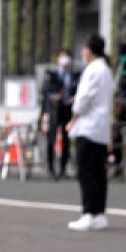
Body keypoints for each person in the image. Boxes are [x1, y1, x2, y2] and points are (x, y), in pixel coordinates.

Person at [66, 35, 114, 232]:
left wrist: (74, 117)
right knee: (98, 172)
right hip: (101, 128)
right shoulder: (106, 70)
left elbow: (84, 98)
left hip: (89, 127)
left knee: (86, 171)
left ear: (89, 50)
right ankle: (99, 213)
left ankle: (88, 213)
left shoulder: (94, 69)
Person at [41, 48, 77, 179]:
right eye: (62, 56)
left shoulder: (73, 76)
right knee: (52, 139)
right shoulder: (52, 75)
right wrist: (53, 98)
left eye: (67, 56)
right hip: (54, 110)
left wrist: (73, 98)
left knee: (66, 140)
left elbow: (77, 91)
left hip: (67, 109)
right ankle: (51, 168)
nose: (65, 59)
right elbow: (45, 92)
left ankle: (63, 169)